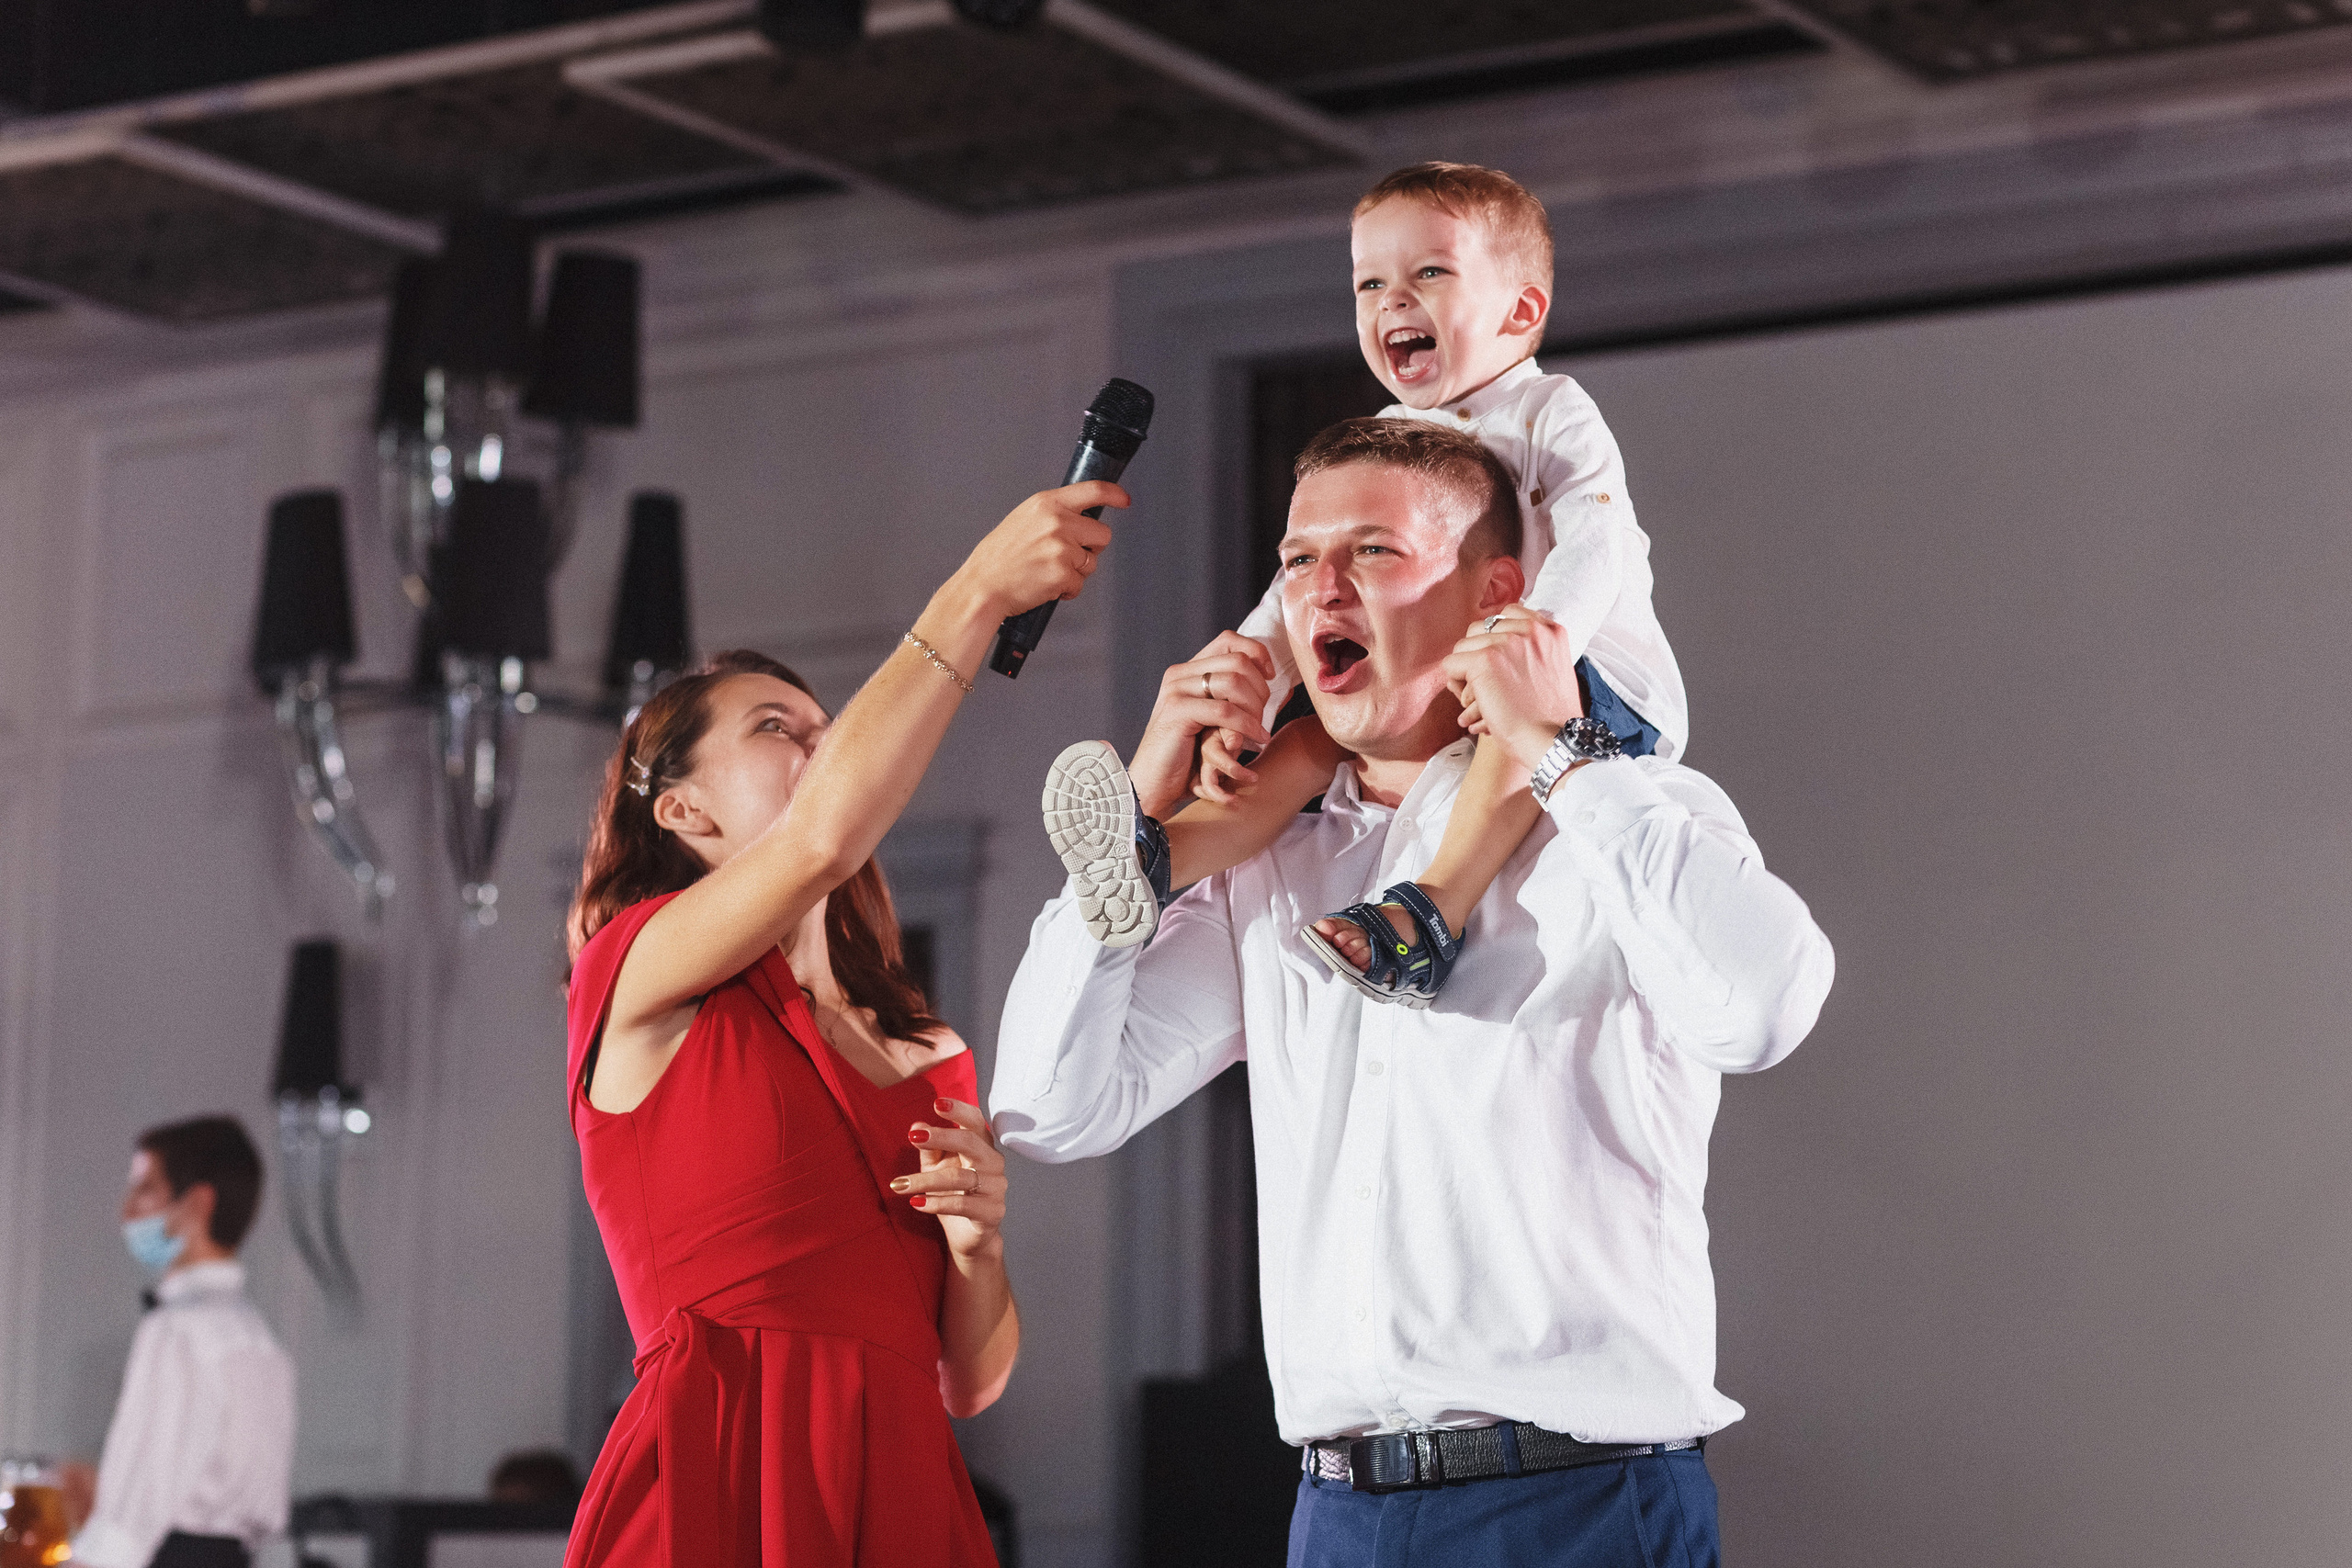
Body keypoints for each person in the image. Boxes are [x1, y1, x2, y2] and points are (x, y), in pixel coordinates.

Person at [996, 420, 1834, 1565]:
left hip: (1575, 1507)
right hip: (1338, 1515)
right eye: (1297, 562)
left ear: (1498, 594)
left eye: (1374, 553)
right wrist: (1136, 828)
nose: (1319, 588)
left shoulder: (1624, 814)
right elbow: (1051, 1108)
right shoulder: (1269, 866)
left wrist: (1561, 755)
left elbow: (1763, 1008)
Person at [560, 478, 1118, 1568]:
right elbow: (819, 837)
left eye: (836, 731)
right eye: (780, 728)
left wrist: (979, 1247)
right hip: (721, 1468)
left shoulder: (932, 1054)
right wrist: (974, 593)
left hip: (900, 1480)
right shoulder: (636, 971)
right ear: (683, 810)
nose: (827, 747)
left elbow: (971, 1380)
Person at [1046, 162, 1681, 1009]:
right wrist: (1255, 685)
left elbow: (1600, 537)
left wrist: (1541, 642)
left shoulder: (1549, 411)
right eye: (1370, 282)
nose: (1393, 301)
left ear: (1521, 311)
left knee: (1506, 747)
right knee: (1308, 745)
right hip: (1453, 686)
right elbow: (1291, 589)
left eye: (1430, 274)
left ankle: (1431, 913)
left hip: (1579, 688)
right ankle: (1156, 862)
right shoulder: (1383, 440)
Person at [67, 1117, 295, 1568]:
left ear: (197, 1204)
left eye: (145, 1190)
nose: (126, 1210)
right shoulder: (260, 1338)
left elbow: (142, 1500)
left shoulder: (177, 1330)